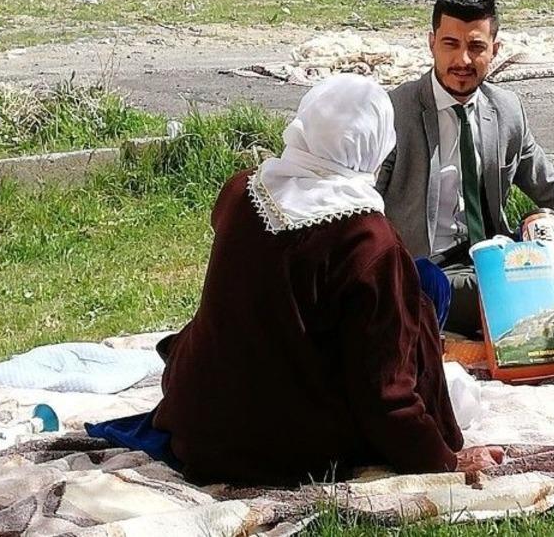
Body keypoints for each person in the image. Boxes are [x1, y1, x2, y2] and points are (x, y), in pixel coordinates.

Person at [91, 75, 502, 484]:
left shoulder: (242, 191)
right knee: (424, 291)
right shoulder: (368, 242)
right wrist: (442, 458)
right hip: (283, 446)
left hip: (197, 416)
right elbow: (383, 396)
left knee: (419, 281)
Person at [376, 0, 554, 337]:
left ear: (495, 49)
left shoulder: (505, 110)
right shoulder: (394, 111)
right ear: (431, 43)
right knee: (494, 288)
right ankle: (553, 308)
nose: (462, 60)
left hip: (497, 258)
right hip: (430, 271)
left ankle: (527, 312)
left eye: (476, 47)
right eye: (450, 45)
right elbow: (366, 206)